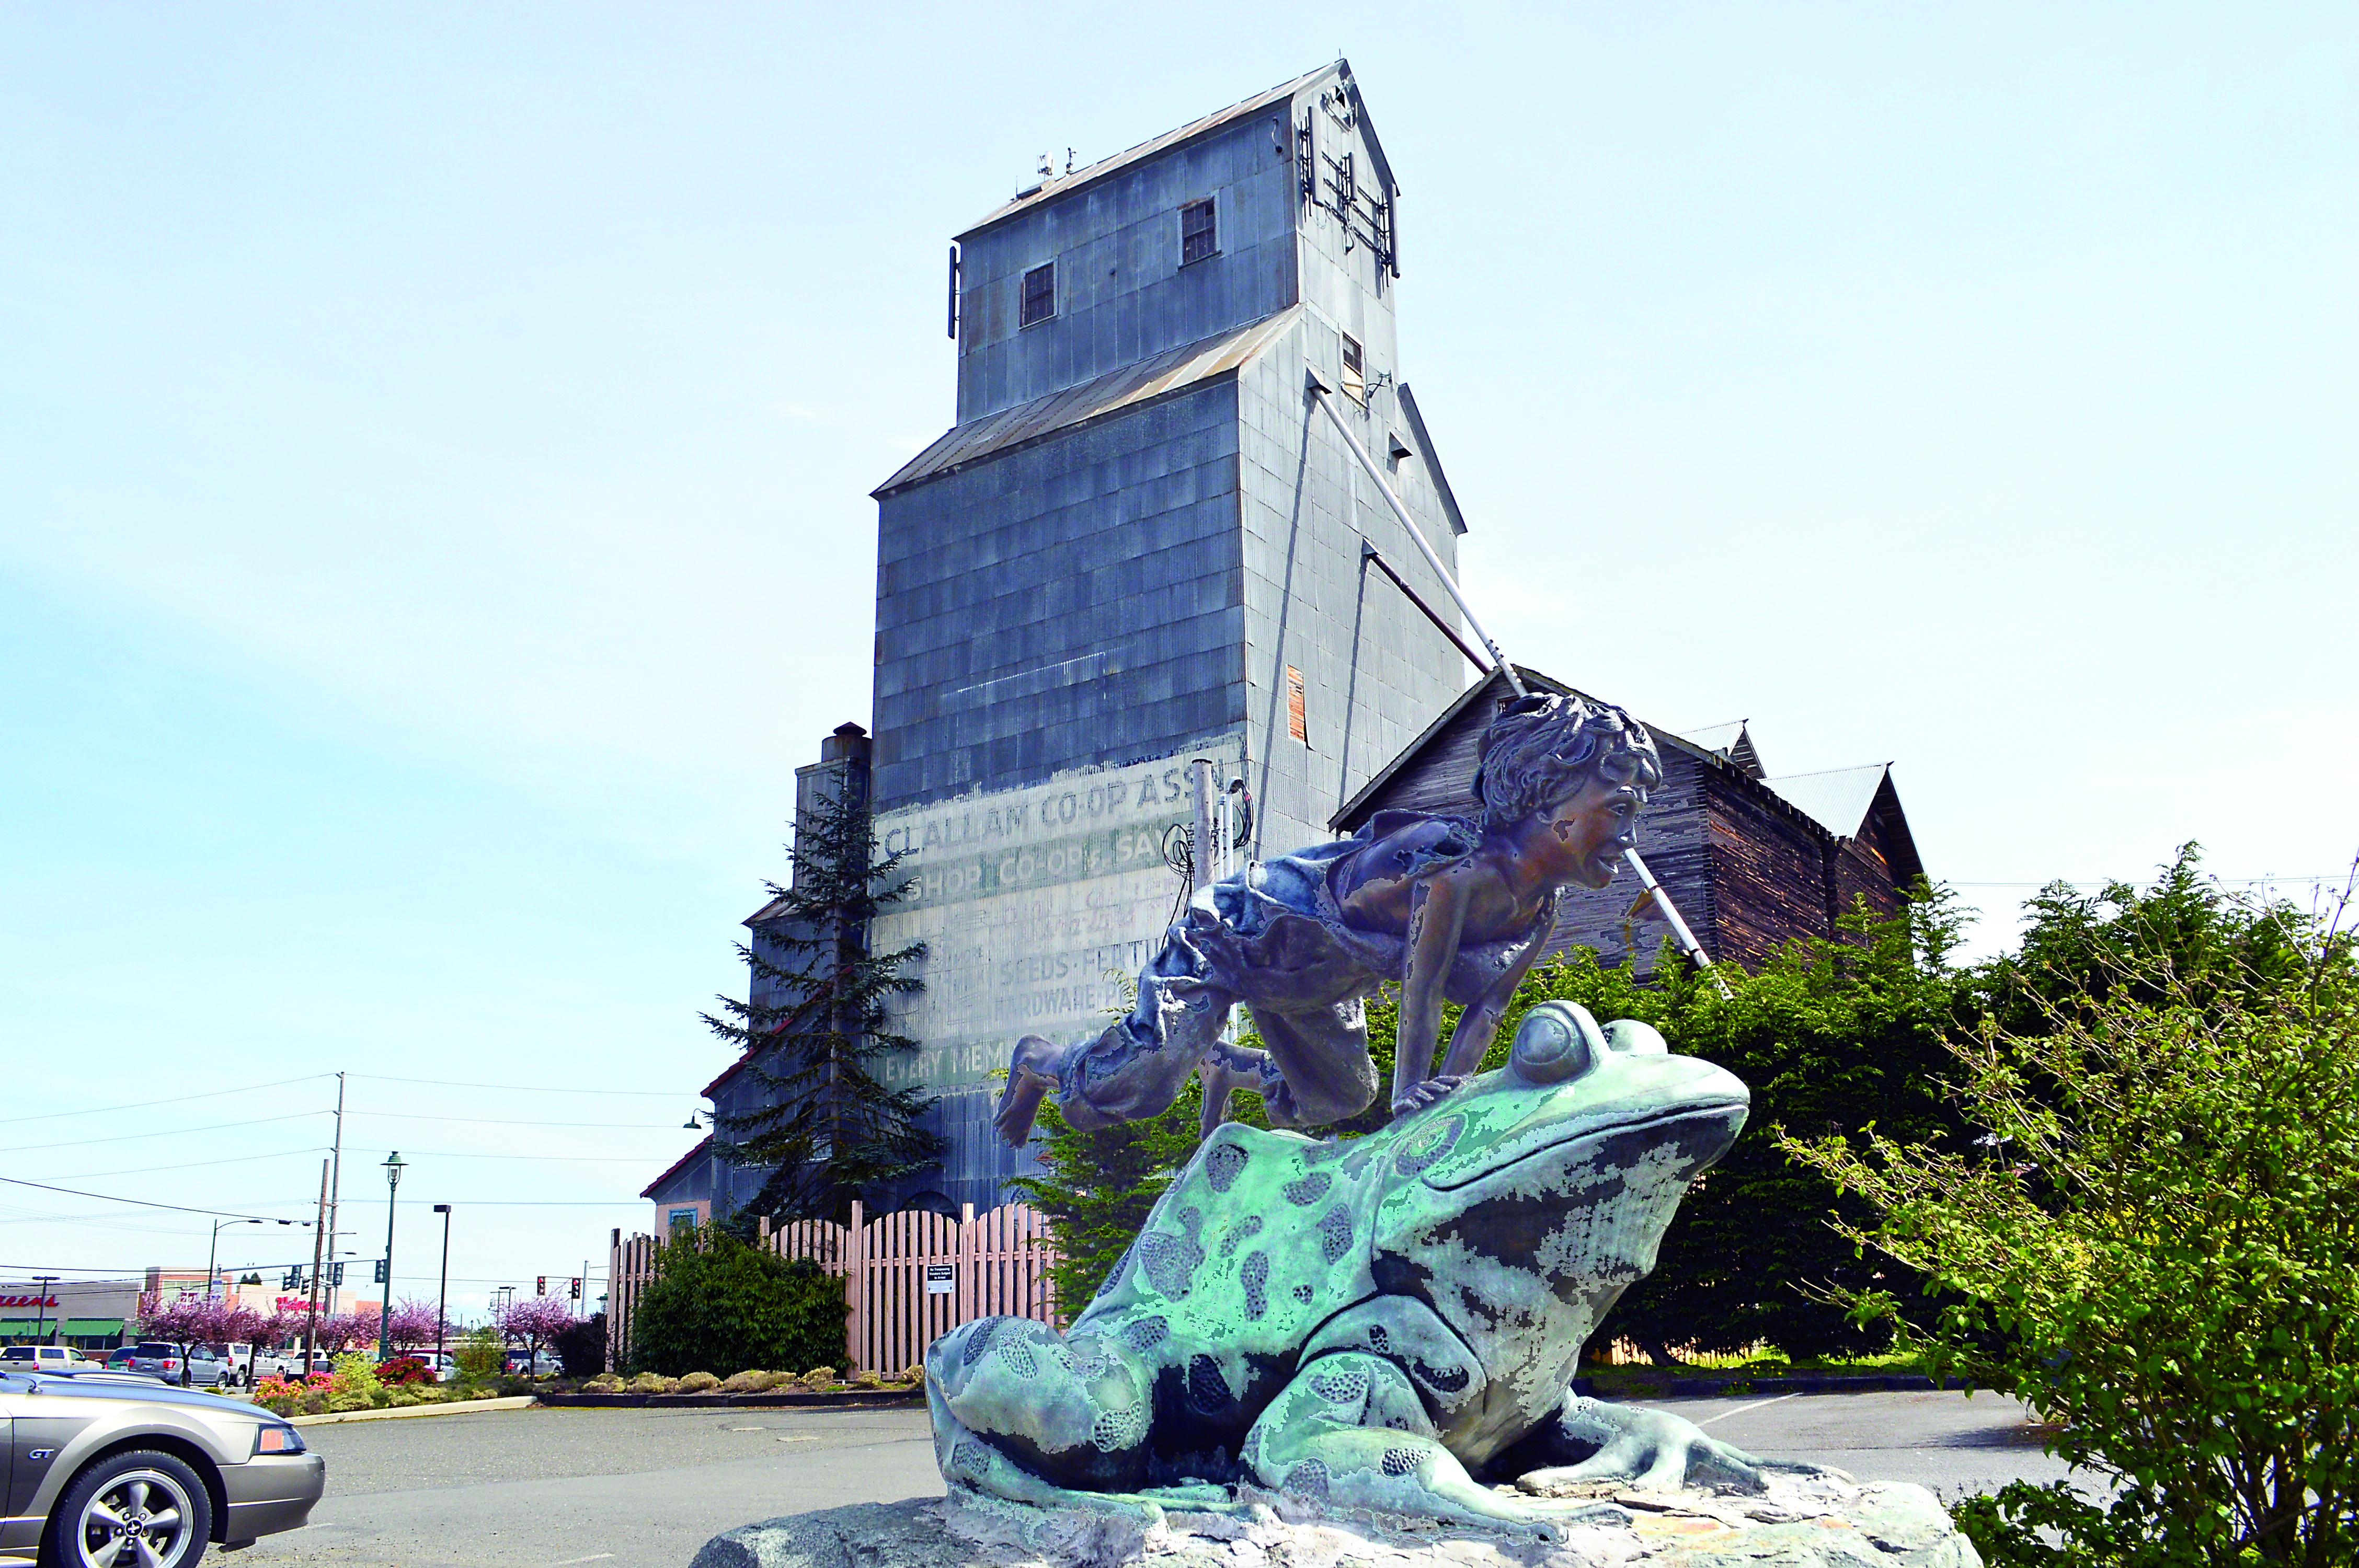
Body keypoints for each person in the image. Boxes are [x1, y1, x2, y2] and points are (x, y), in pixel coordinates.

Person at [993, 691, 1663, 1146]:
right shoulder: (1453, 863)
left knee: (1344, 1095)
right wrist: (1412, 1104)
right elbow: (1423, 989)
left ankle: (1228, 1064)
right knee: (1140, 1081)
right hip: (1247, 934)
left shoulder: (1538, 909)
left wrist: (1445, 1098)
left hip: (1319, 981)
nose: (1629, 838)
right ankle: (1040, 1062)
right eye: (1623, 810)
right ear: (1553, 796)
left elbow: (1484, 1013)